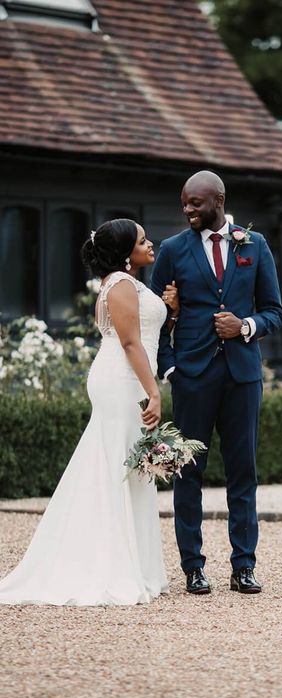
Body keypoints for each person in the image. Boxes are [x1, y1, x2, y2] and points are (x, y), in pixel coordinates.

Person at [0, 219, 169, 606]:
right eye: (143, 240)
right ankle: (110, 565)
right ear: (127, 253)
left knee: (121, 466)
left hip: (123, 379)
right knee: (122, 467)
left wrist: (168, 309)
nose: (150, 243)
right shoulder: (122, 285)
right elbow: (129, 342)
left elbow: (142, 331)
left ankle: (134, 563)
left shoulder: (121, 284)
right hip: (123, 381)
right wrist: (153, 392)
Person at [150, 170, 282, 595]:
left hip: (243, 376)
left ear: (219, 200)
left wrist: (244, 326)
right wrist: (170, 368)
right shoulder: (172, 250)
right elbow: (155, 317)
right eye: (184, 203)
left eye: (195, 203)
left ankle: (244, 565)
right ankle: (193, 566)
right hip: (192, 376)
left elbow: (275, 312)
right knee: (188, 472)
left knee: (243, 471)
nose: (188, 210)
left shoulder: (255, 245)